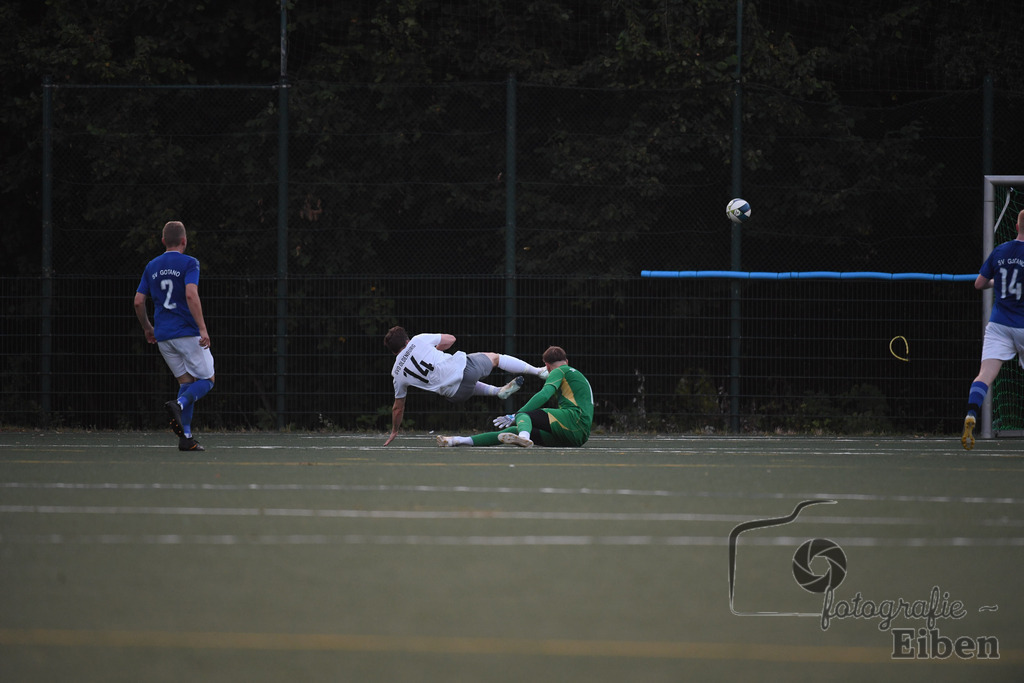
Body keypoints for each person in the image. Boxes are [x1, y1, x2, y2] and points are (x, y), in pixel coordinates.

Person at [383, 326, 548, 446]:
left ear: (393, 351)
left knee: (458, 384)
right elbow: (450, 339)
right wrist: (435, 350)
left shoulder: (396, 372)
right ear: (407, 340)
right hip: (465, 370)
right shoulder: (417, 340)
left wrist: (395, 430)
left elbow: (398, 407)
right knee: (495, 358)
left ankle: (498, 391)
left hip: (456, 394)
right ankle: (538, 371)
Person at [134, 220, 214, 451]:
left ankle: (186, 438)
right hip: (186, 332)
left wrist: (147, 327)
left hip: (163, 336)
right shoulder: (190, 263)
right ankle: (179, 404)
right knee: (208, 380)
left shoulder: (152, 266)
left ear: (163, 241)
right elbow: (191, 294)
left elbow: (138, 301)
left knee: (186, 382)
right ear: (184, 241)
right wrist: (202, 328)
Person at [436, 345, 593, 448]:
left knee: (524, 415)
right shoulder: (575, 374)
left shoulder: (559, 371)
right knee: (514, 430)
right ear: (566, 360)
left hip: (573, 420)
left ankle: (524, 437)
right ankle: (458, 440)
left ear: (546, 365)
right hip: (578, 435)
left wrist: (516, 414)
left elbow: (545, 394)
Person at [962, 209, 1024, 450]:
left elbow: (979, 283)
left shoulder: (1000, 251)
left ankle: (971, 413)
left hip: (998, 325)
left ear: (1017, 227)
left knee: (984, 376)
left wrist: (996, 281)